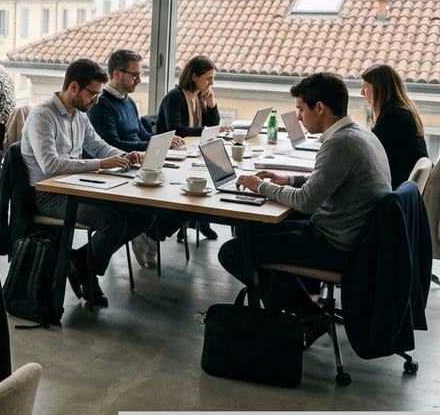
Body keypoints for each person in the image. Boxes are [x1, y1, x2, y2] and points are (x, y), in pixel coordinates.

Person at [217, 73, 391, 346]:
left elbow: (306, 202)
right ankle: (303, 304)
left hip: (335, 244)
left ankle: (306, 314)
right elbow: (327, 183)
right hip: (355, 239)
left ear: (319, 107)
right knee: (258, 231)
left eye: (300, 109)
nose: (298, 117)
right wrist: (288, 180)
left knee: (235, 251)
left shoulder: (339, 143)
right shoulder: (358, 134)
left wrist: (260, 186)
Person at [23, 58, 162, 306]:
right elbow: (50, 165)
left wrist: (121, 156)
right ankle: (87, 270)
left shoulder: (79, 114)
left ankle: (81, 262)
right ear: (74, 87)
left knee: (144, 214)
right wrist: (101, 165)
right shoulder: (42, 116)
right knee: (114, 223)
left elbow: (97, 146)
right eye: (93, 94)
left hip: (76, 186)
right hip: (48, 194)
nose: (96, 100)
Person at [88, 50, 208, 261]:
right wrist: (153, 145)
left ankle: (151, 233)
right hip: (120, 169)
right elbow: (113, 144)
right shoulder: (101, 105)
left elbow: (142, 134)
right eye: (134, 75)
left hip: (139, 163)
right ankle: (148, 233)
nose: (139, 80)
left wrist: (161, 141)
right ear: (116, 73)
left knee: (188, 196)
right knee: (177, 196)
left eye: (140, 73)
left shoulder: (128, 102)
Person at [360, 64, 427, 188]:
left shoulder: (392, 117)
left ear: (379, 89)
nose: (361, 93)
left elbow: (368, 152)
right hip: (404, 188)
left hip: (393, 188)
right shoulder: (403, 112)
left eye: (365, 87)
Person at [156, 55, 224, 137]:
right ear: (194, 77)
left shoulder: (198, 96)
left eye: (213, 78)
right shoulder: (174, 97)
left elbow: (212, 126)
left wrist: (211, 105)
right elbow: (176, 131)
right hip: (171, 148)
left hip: (190, 146)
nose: (212, 83)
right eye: (208, 79)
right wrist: (206, 130)